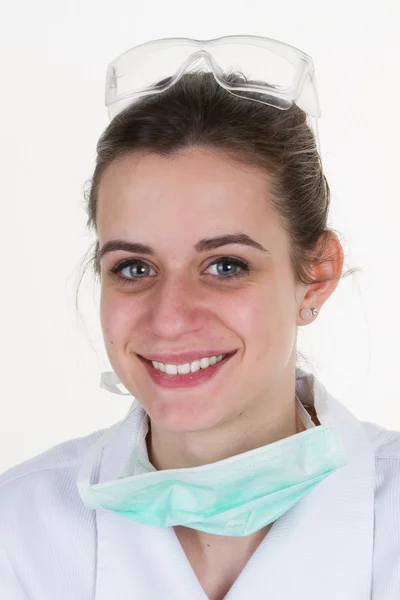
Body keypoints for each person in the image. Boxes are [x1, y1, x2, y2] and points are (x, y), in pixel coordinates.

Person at [0, 35, 399, 600]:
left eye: (226, 265)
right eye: (135, 268)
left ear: (316, 273)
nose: (169, 319)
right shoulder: (16, 534)